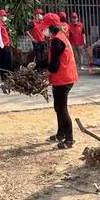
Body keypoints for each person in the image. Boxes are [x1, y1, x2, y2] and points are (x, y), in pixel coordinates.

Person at [29, 13, 79, 149]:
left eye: (45, 28)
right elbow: (51, 60)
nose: (43, 30)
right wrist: (37, 64)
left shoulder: (57, 41)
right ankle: (60, 134)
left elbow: (54, 66)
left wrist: (45, 74)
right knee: (58, 107)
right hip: (63, 78)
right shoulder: (57, 38)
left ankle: (69, 139)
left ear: (51, 27)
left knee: (62, 109)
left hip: (64, 79)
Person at [0, 9, 13, 80]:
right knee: (4, 62)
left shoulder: (2, 24)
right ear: (0, 16)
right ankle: (4, 77)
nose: (5, 17)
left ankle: (9, 76)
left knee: (8, 61)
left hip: (6, 46)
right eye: (3, 15)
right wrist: (2, 46)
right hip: (3, 46)